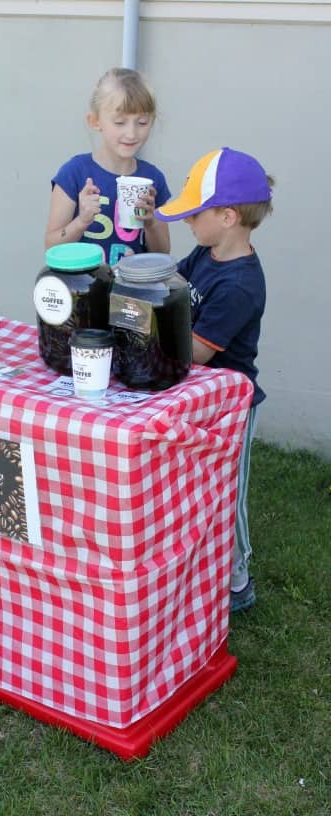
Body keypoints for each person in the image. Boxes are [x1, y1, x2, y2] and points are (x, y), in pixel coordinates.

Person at [155, 147, 274, 613]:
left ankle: (238, 582)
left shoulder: (241, 284)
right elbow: (176, 280)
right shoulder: (207, 251)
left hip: (230, 406)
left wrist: (150, 330)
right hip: (198, 398)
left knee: (228, 494)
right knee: (198, 489)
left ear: (227, 216)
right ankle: (203, 570)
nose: (187, 222)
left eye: (193, 214)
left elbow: (198, 352)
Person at [45, 67, 171, 266]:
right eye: (120, 122)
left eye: (142, 122)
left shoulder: (154, 179)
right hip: (84, 291)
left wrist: (151, 223)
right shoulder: (74, 173)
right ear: (95, 122)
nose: (131, 133)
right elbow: (51, 248)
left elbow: (162, 253)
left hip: (131, 292)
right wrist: (82, 221)